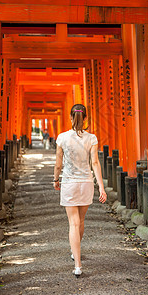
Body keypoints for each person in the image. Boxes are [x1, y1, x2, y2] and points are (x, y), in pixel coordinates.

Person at [53, 104, 107, 277]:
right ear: (85, 119)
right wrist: (102, 187)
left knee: (73, 224)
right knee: (81, 222)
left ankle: (78, 264)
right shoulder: (92, 138)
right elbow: (95, 163)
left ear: (70, 117)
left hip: (69, 183)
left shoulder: (62, 138)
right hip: (86, 183)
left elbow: (58, 164)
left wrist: (56, 179)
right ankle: (75, 252)